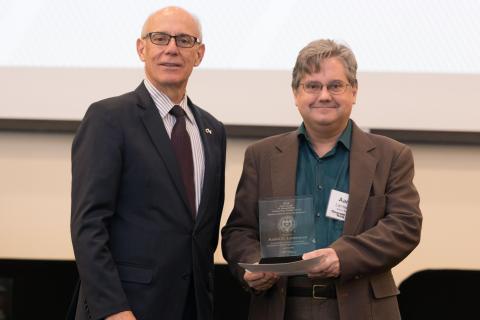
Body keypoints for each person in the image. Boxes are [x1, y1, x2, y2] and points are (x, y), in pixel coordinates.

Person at [221, 39, 422, 320]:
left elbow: (405, 226)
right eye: (312, 86)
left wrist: (344, 257)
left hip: (361, 307)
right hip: (281, 306)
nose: (324, 95)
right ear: (296, 93)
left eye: (335, 85)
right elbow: (238, 231)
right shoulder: (262, 156)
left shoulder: (391, 155)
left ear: (354, 91)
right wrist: (254, 265)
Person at [70, 6, 226, 320]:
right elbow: (88, 226)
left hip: (193, 308)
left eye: (184, 40)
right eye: (160, 38)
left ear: (199, 54)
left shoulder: (213, 130)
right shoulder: (109, 118)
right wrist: (113, 309)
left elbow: (202, 233)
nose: (171, 48)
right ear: (142, 48)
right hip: (126, 309)